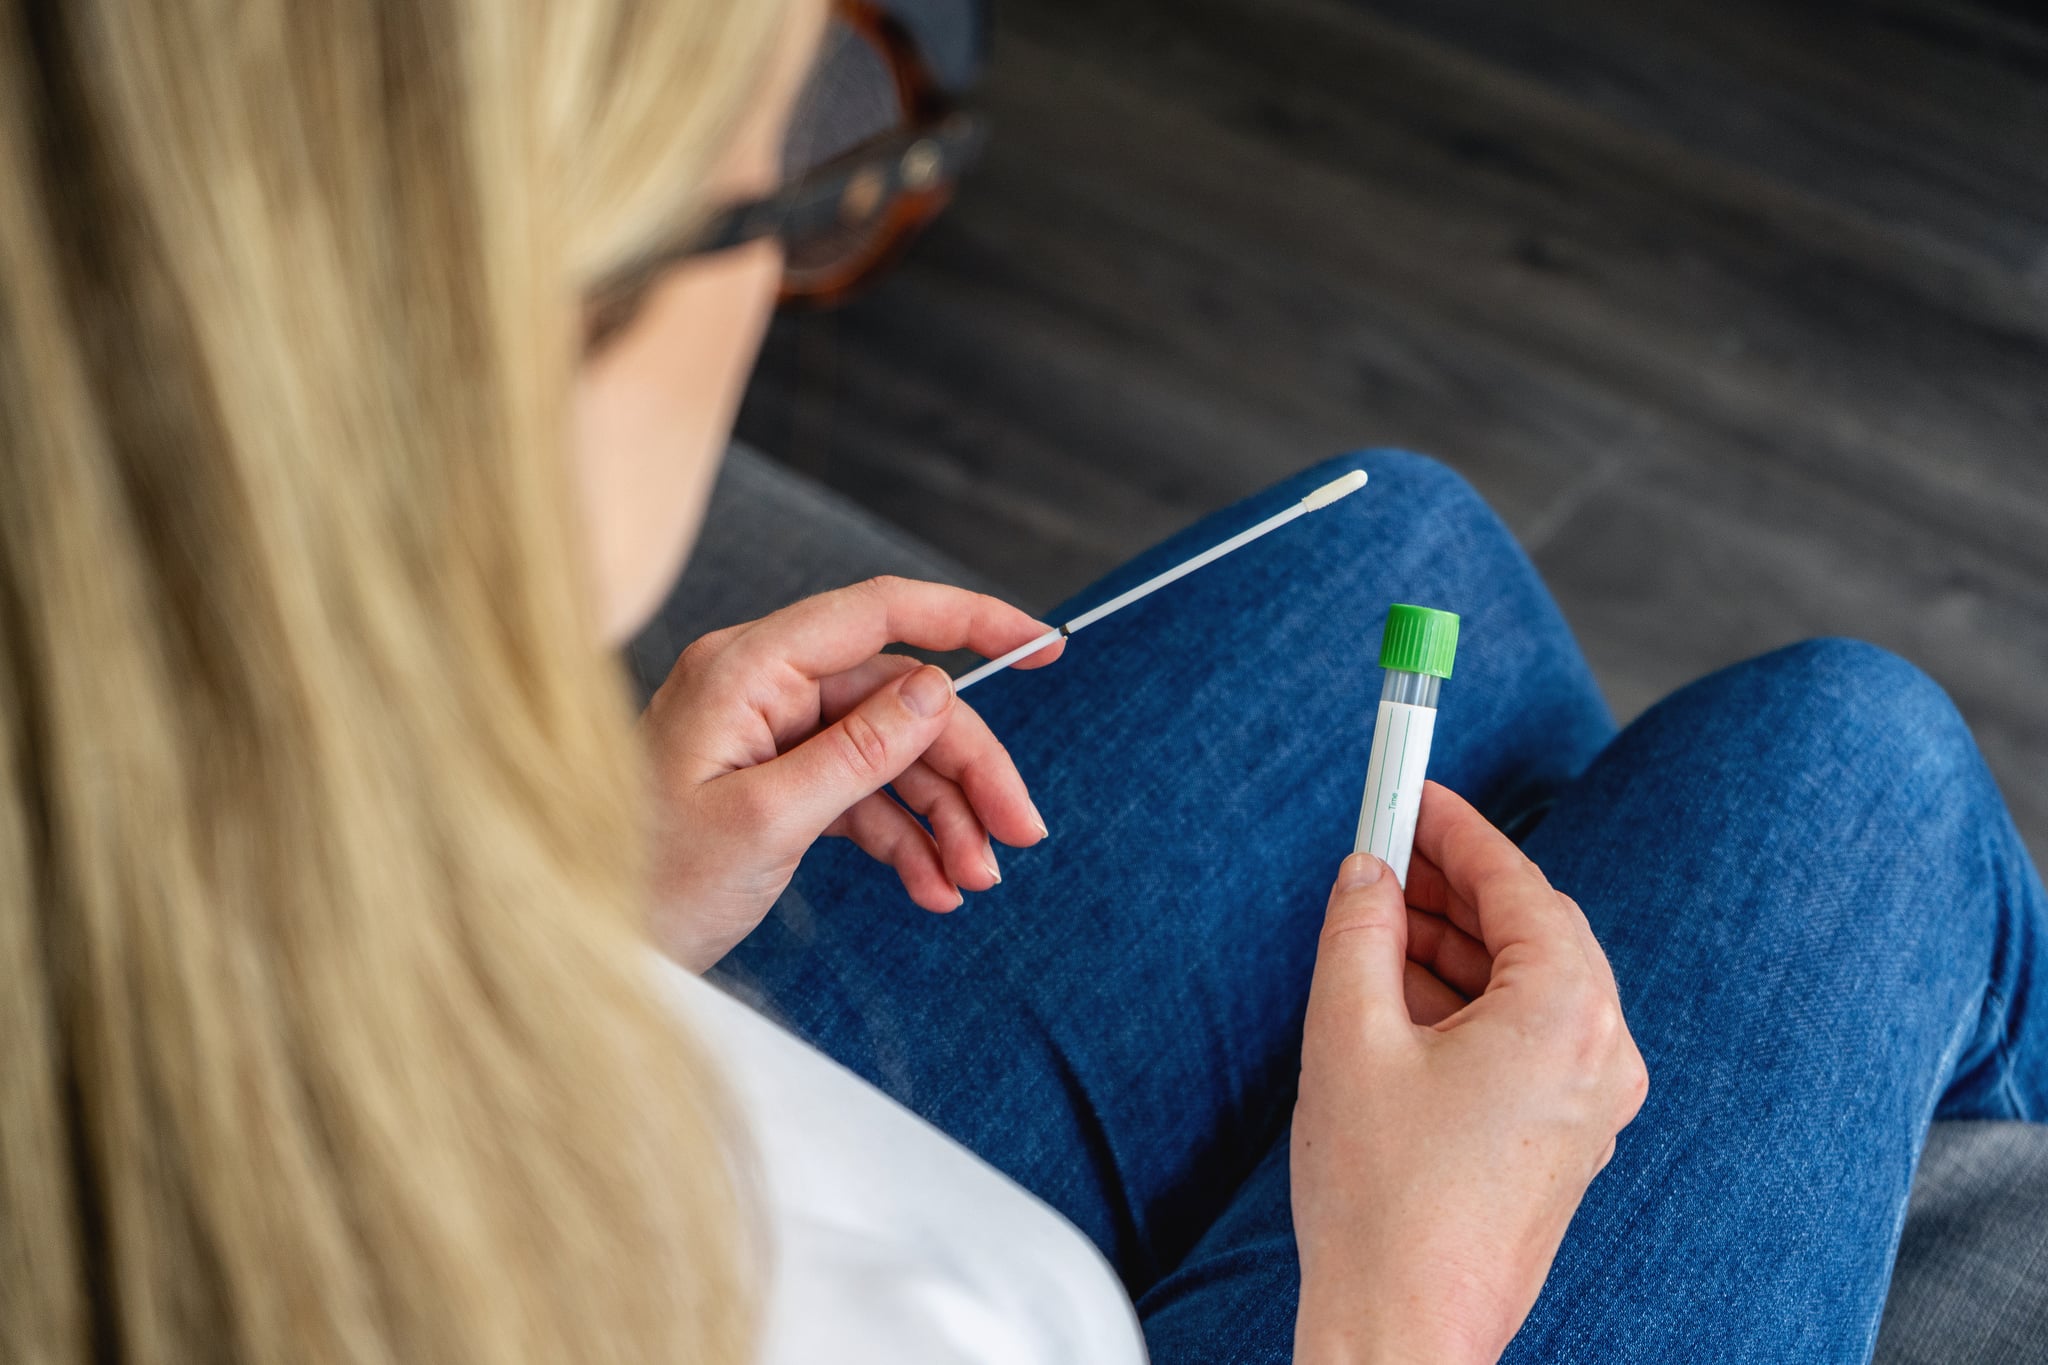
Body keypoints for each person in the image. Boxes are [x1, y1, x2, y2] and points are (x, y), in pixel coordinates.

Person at [2, 5, 2041, 1365]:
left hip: (622, 1139)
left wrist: (573, 927)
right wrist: (1408, 1301)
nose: (800, 245)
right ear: (531, 301)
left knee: (1402, 542)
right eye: (804, 175)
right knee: (1846, 779)